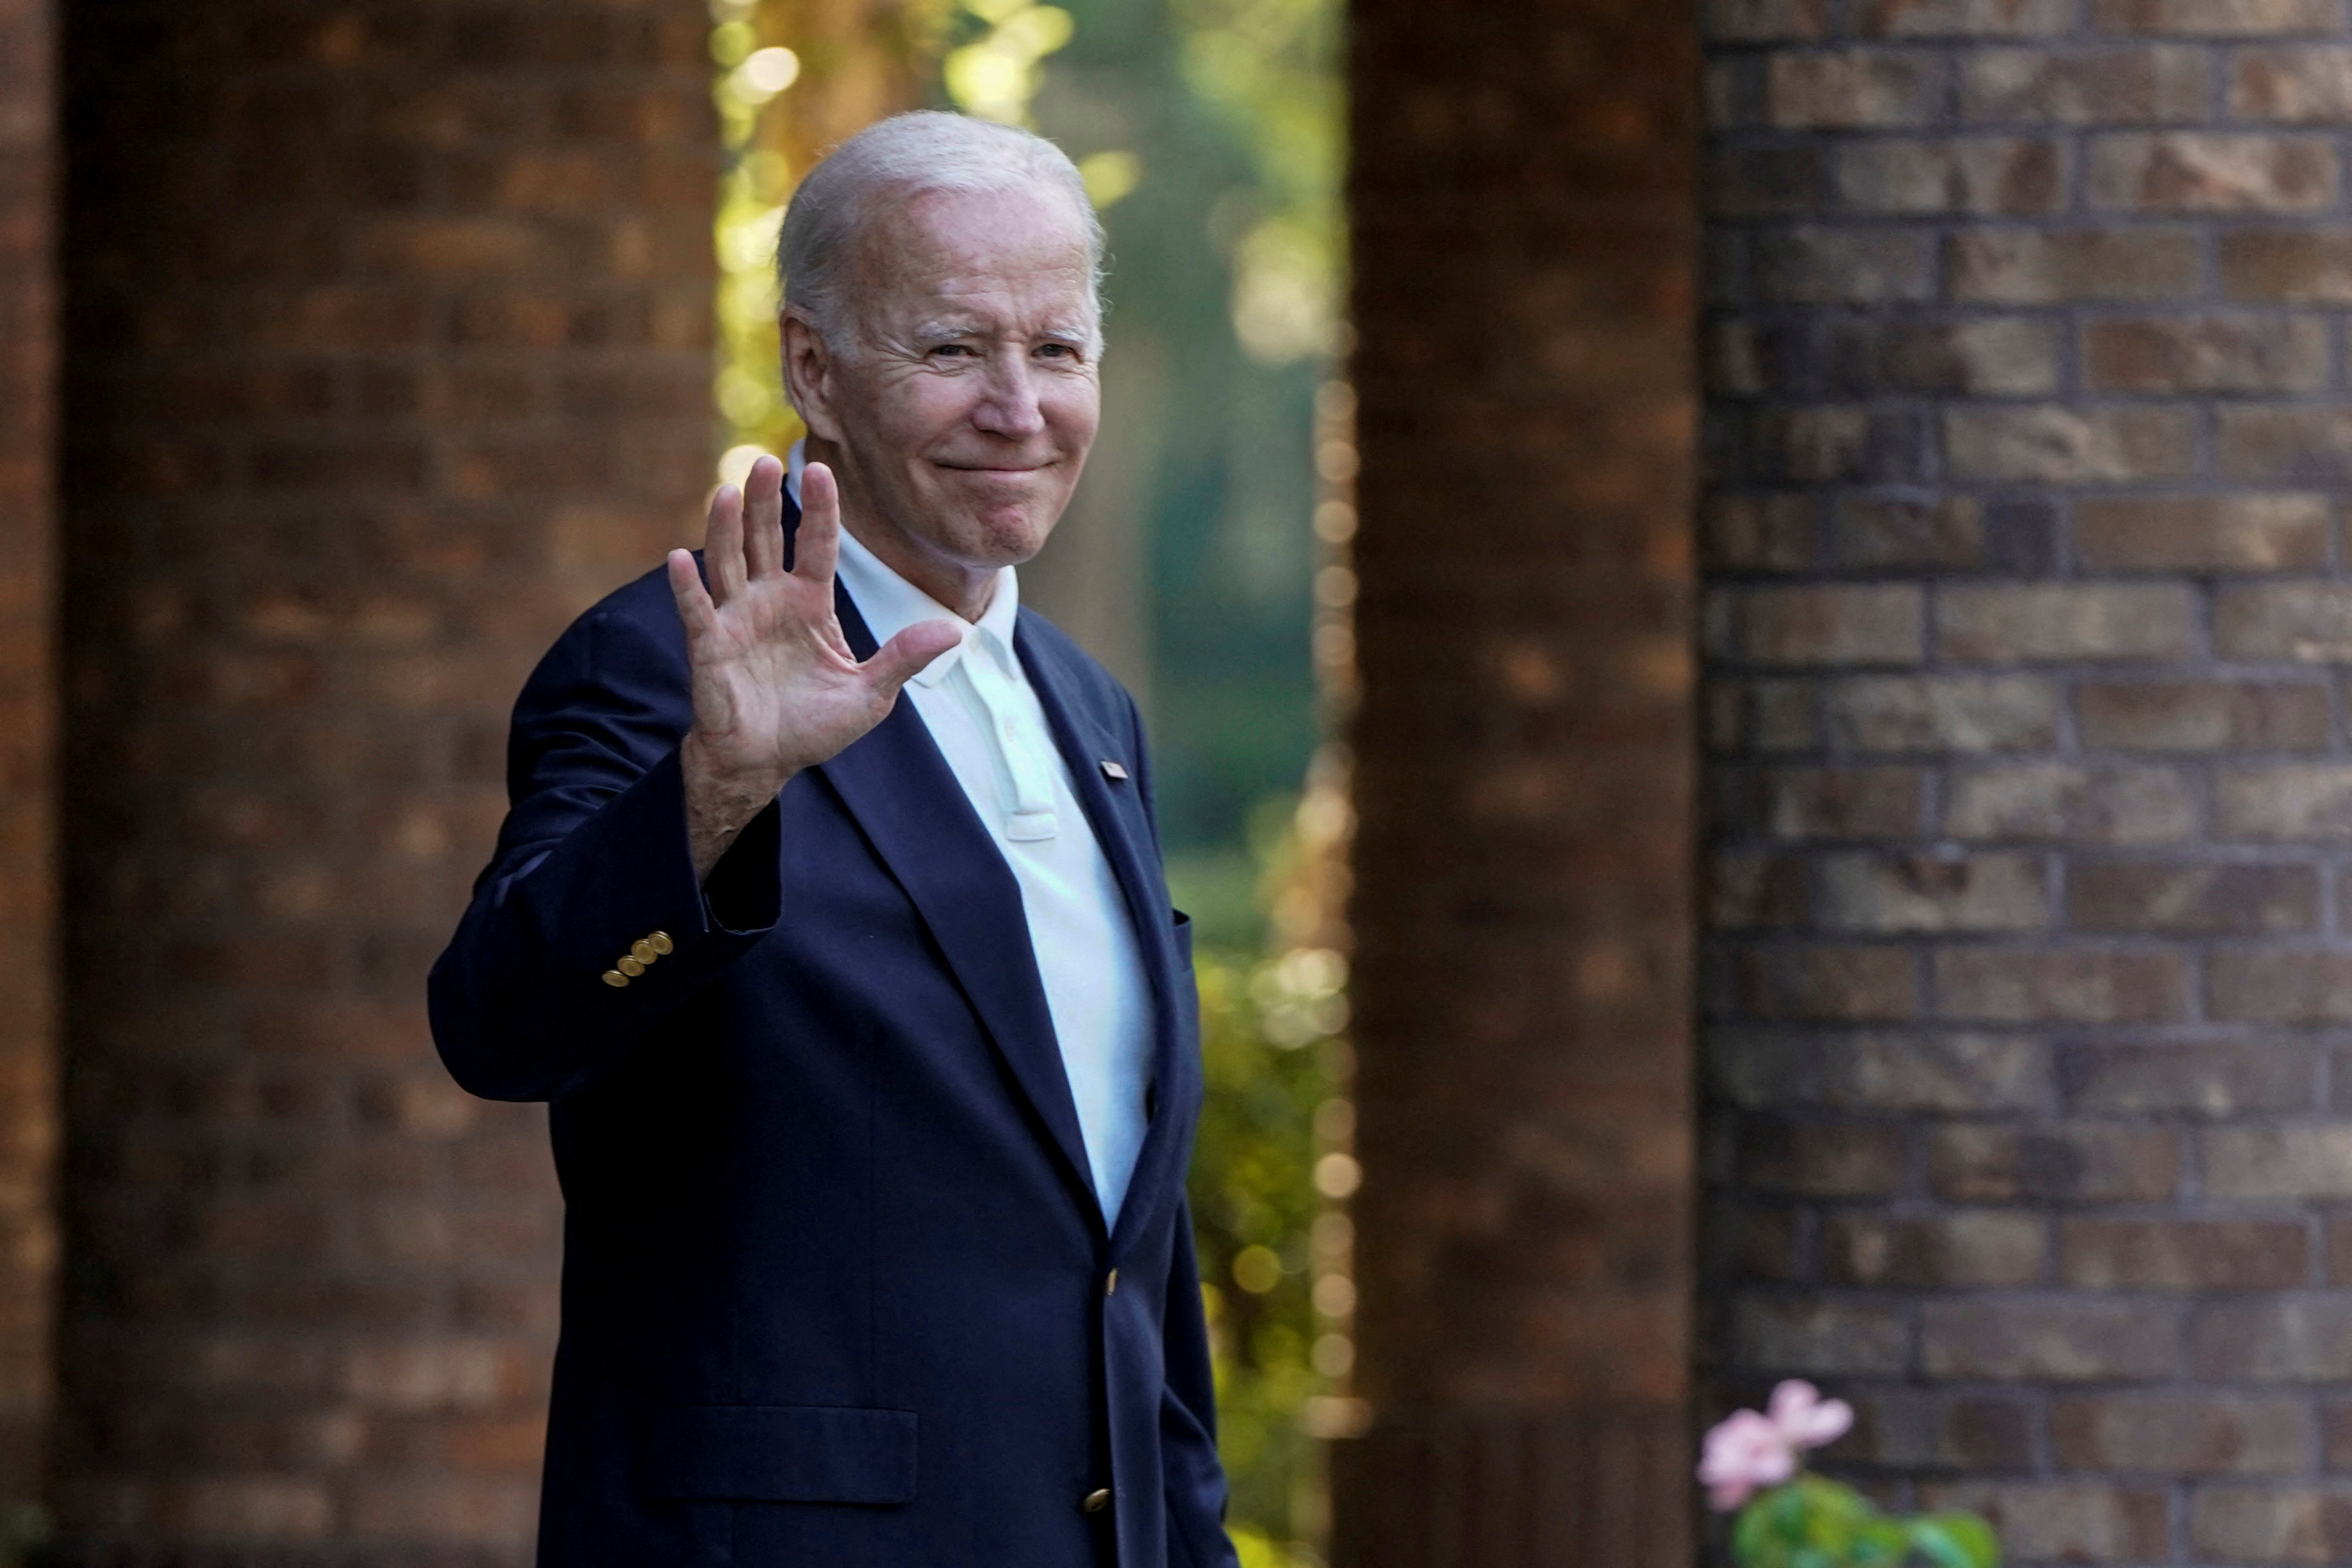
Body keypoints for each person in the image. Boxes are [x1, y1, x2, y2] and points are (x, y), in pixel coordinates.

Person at [429, 111, 1238, 1568]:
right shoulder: (662, 669)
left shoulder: (1089, 705)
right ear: (816, 369)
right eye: (952, 351)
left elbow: (1125, 1248)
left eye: (1056, 351)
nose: (1019, 409)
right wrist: (719, 786)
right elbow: (501, 1026)